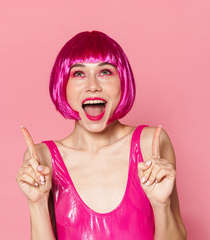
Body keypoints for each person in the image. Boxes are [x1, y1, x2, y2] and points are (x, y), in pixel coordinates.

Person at [16, 31, 187, 240]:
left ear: (122, 80)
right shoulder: (42, 159)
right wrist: (37, 204)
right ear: (63, 85)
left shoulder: (150, 144)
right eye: (78, 74)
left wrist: (162, 205)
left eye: (105, 72)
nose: (93, 86)